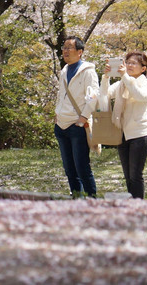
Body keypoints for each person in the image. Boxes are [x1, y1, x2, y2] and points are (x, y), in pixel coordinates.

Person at [105, 51, 147, 198]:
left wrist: (125, 77)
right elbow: (105, 93)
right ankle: (130, 204)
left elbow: (140, 95)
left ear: (143, 68)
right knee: (127, 176)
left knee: (135, 175)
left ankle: (138, 207)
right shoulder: (122, 83)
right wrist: (106, 76)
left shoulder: (145, 84)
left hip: (140, 135)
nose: (130, 65)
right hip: (123, 134)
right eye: (128, 62)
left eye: (134, 63)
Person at [54, 35, 99, 198]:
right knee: (68, 165)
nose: (65, 51)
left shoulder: (88, 71)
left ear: (80, 52)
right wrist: (57, 113)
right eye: (64, 48)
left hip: (77, 124)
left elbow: (94, 96)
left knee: (81, 165)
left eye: (69, 48)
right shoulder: (65, 70)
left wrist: (84, 118)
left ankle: (91, 195)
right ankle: (76, 194)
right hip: (61, 123)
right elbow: (61, 94)